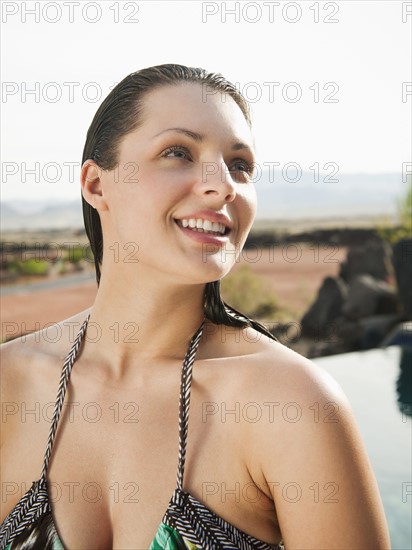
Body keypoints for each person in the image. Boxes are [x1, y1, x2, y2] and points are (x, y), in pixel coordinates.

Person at [0, 64, 390, 549]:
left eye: (240, 165)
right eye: (178, 152)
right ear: (97, 185)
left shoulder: (292, 403)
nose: (224, 184)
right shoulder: (8, 384)